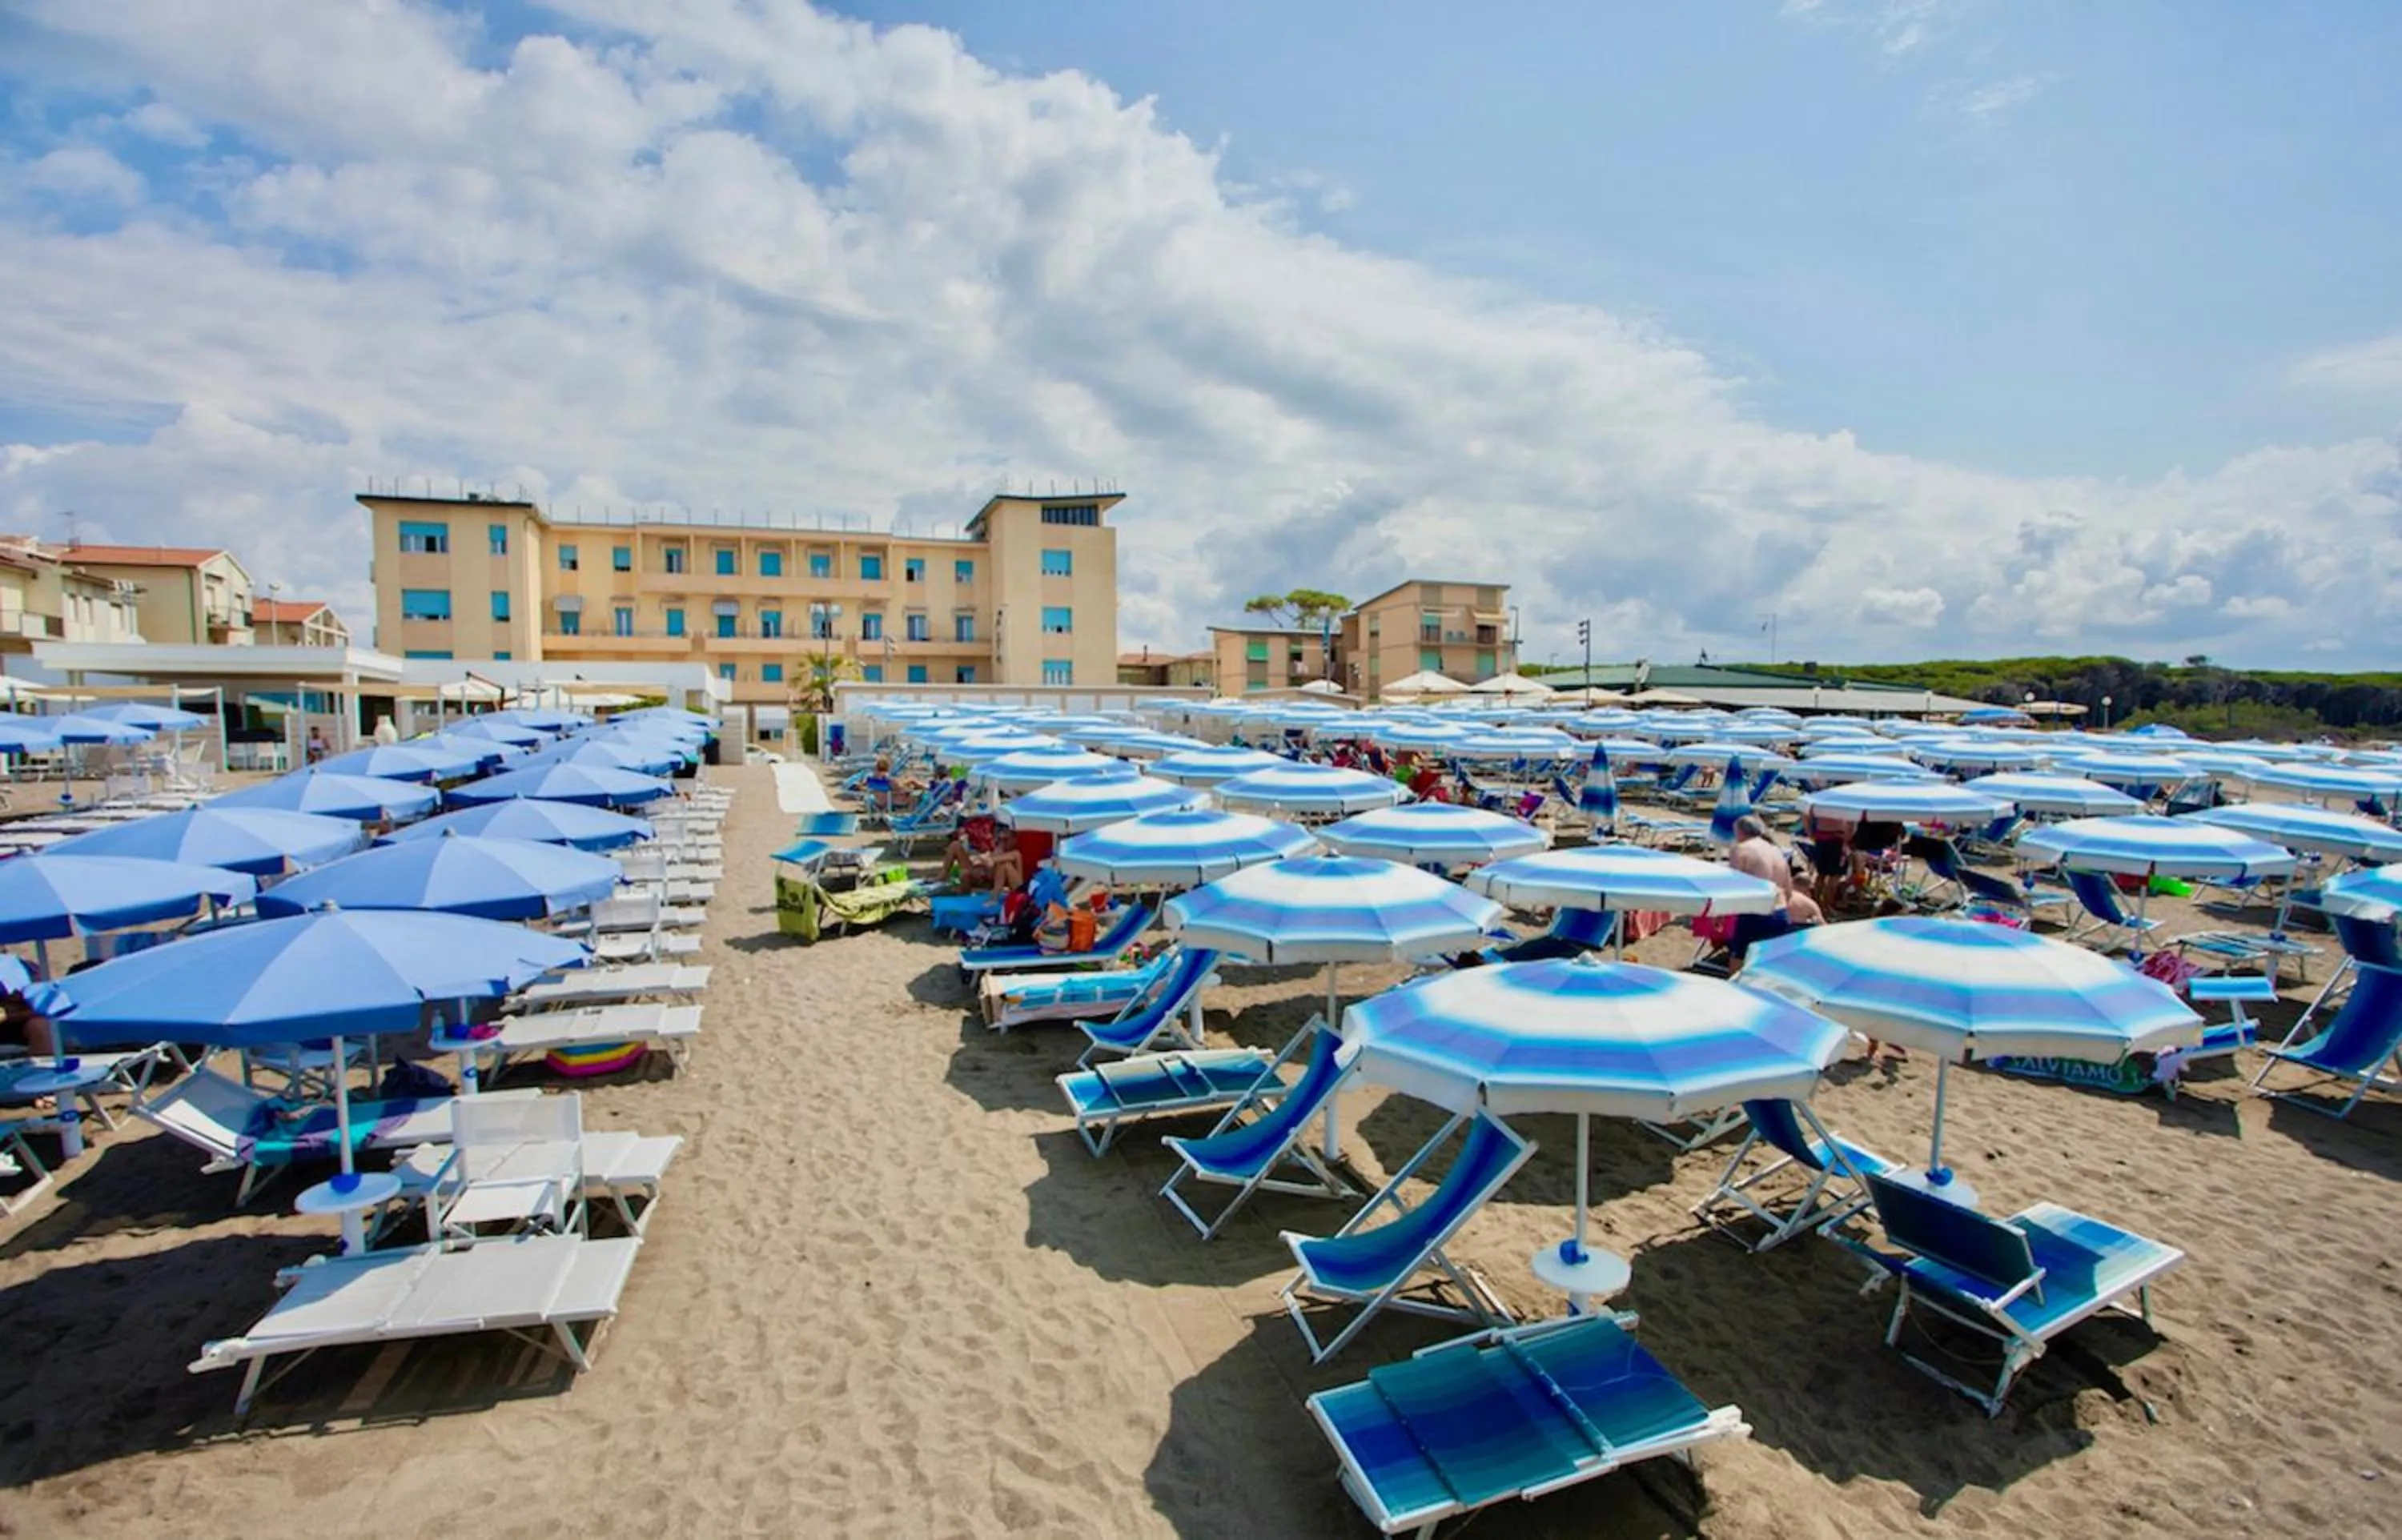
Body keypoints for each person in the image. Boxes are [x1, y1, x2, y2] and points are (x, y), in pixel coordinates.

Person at [1729, 815, 1824, 927]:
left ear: (1739, 832)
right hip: (1780, 912)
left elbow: (1733, 886)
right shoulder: (1776, 851)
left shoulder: (1741, 849)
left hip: (1755, 912)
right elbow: (1788, 891)